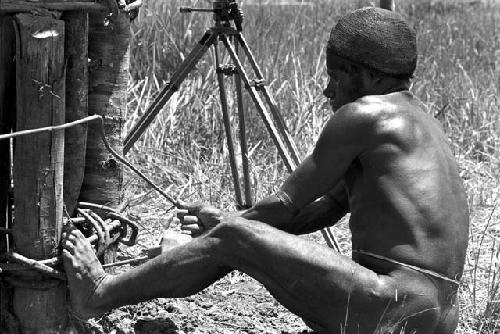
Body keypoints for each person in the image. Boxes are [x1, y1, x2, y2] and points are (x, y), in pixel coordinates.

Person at [62, 7, 469, 334]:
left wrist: (225, 228)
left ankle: (98, 293)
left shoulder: (366, 114)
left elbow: (286, 205)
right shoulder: (421, 125)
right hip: (434, 316)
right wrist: (226, 229)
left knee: (235, 236)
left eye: (335, 76)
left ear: (369, 76)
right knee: (236, 236)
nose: (328, 90)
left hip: (388, 305)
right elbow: (323, 210)